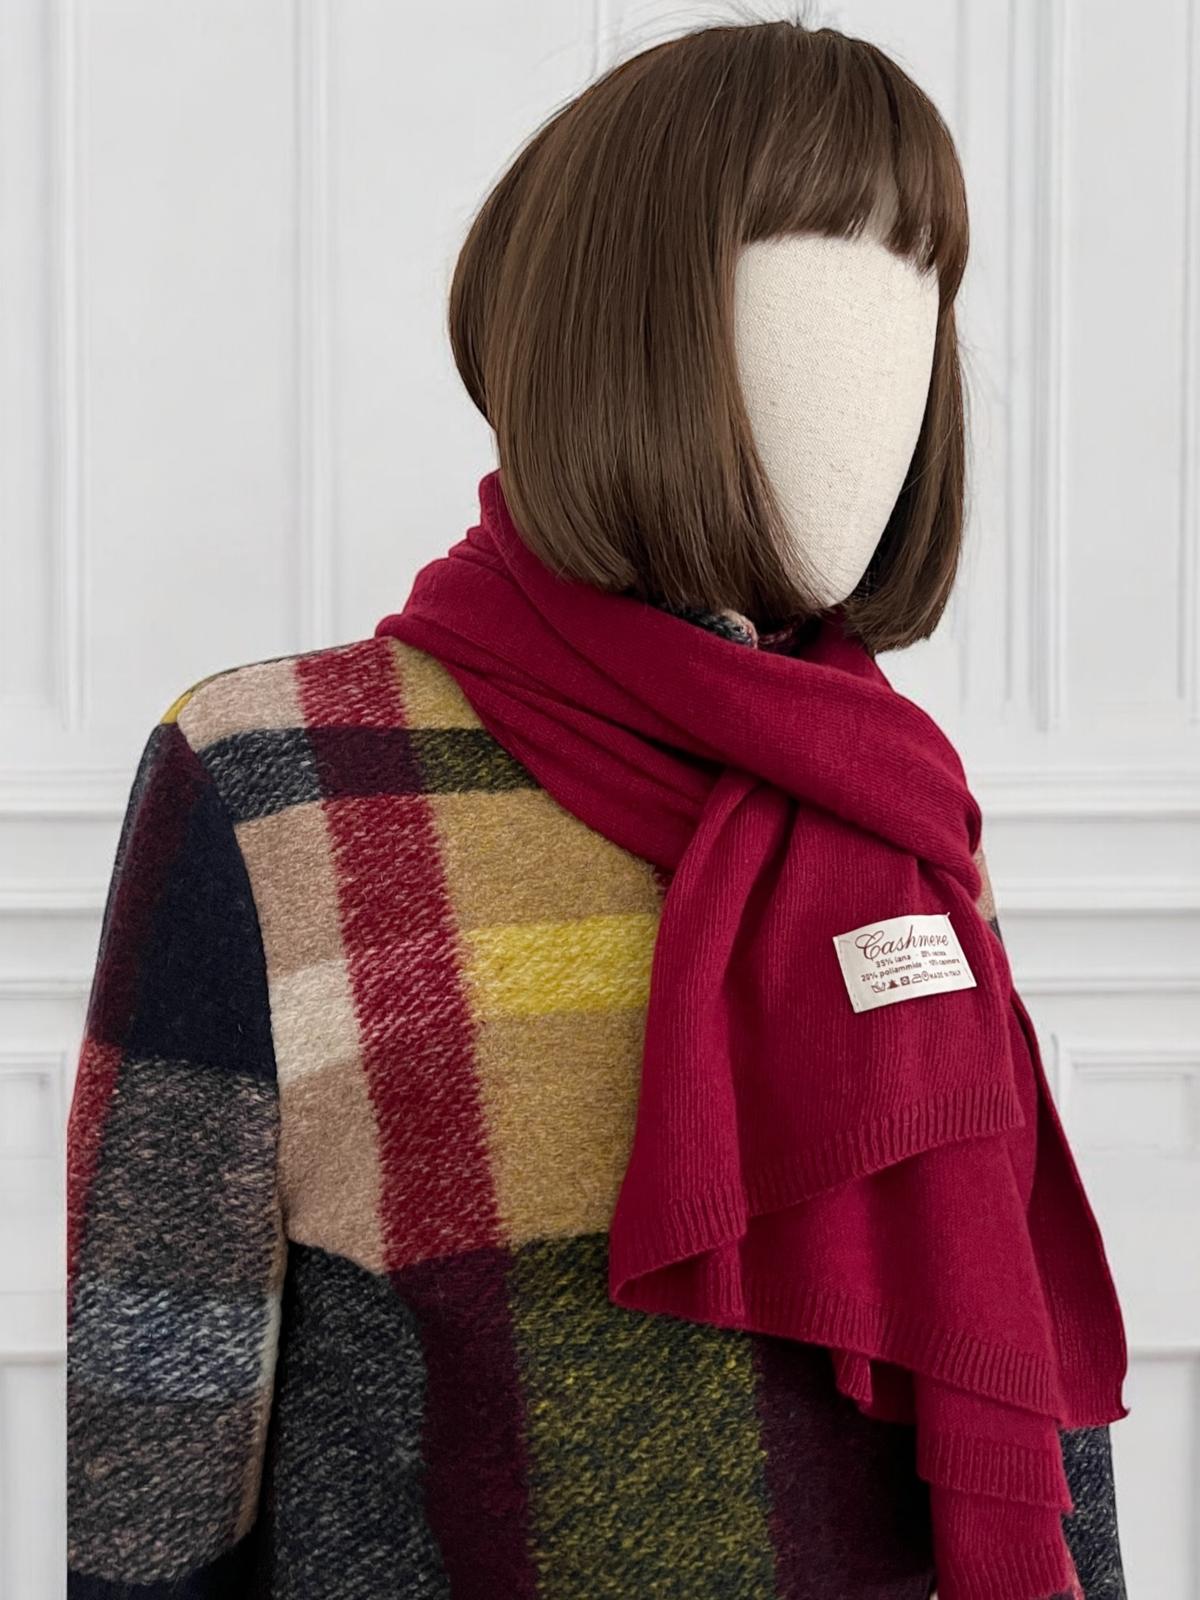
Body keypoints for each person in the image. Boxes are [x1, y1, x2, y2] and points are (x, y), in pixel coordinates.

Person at [66, 19, 1128, 1599]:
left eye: (918, 285)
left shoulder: (892, 801)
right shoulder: (272, 776)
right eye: (804, 276)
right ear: (621, 338)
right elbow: (155, 1454)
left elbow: (1017, 1363)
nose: (883, 370)